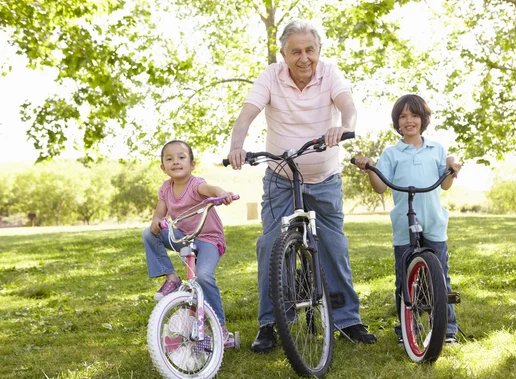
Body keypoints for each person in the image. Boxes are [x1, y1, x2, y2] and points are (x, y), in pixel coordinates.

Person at [227, 20, 376, 353]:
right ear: (283, 53)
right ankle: (270, 322)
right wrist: (237, 145)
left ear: (319, 50)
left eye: (310, 49)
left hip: (324, 179)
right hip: (280, 177)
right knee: (270, 245)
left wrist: (345, 127)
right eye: (296, 51)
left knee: (334, 245)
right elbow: (247, 114)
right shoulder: (270, 76)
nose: (304, 57)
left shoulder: (330, 73)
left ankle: (348, 320)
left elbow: (347, 105)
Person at [353, 94, 462, 344]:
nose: (409, 120)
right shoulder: (392, 153)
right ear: (397, 122)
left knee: (441, 276)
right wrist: (370, 168)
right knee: (405, 280)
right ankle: (407, 329)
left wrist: (451, 167)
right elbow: (380, 187)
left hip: (433, 221)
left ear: (423, 119)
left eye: (414, 115)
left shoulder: (436, 148)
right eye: (403, 116)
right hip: (405, 223)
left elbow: (445, 185)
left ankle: (447, 328)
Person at [142, 140, 235, 337]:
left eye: (181, 157)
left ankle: (220, 327)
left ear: (192, 165)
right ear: (163, 167)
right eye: (169, 159)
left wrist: (222, 194)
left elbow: (211, 190)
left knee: (203, 277)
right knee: (149, 234)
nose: (176, 162)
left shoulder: (195, 185)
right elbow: (159, 214)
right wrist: (157, 221)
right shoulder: (166, 189)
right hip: (185, 237)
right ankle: (172, 277)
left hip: (208, 238)